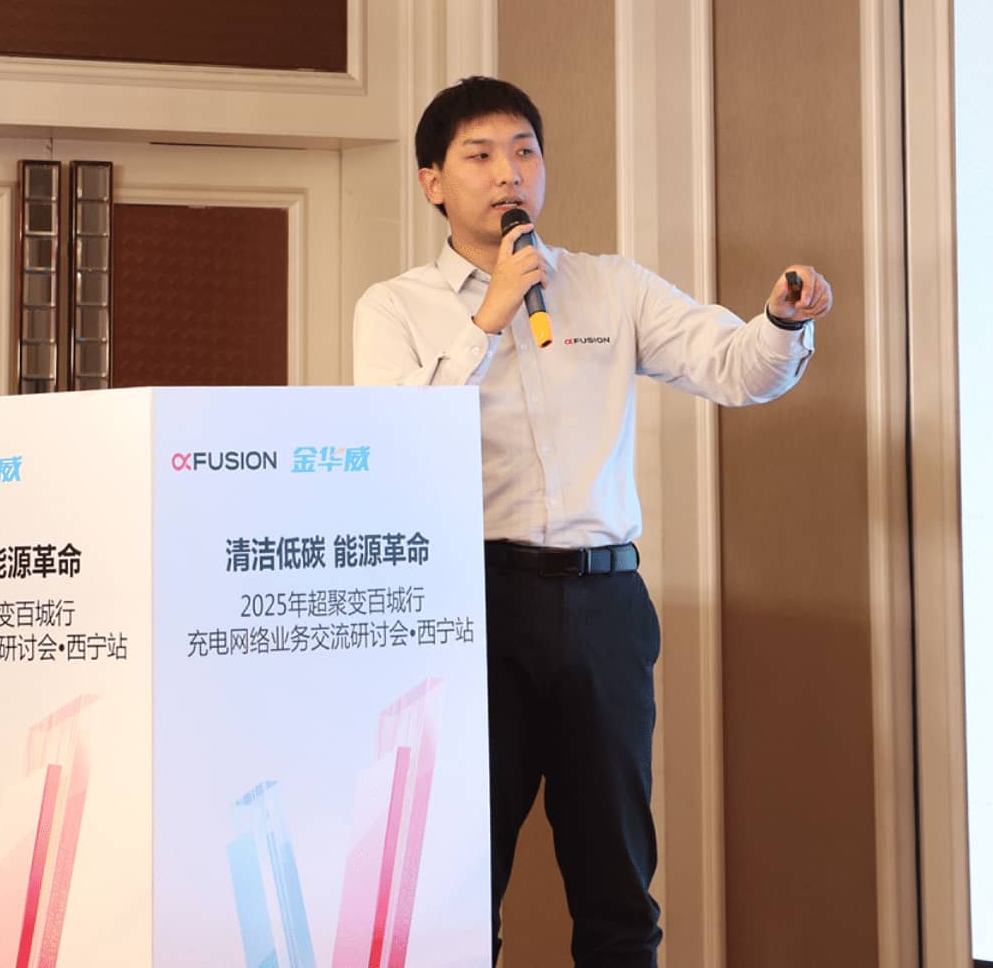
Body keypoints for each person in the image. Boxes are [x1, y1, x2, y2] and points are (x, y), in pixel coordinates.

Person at [352, 76, 832, 967]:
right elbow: (391, 441)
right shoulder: (395, 307)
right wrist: (489, 316)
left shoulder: (610, 286)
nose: (509, 173)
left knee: (618, 886)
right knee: (459, 889)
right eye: (481, 155)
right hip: (473, 606)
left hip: (605, 606)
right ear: (432, 181)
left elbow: (735, 367)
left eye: (525, 151)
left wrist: (778, 322)